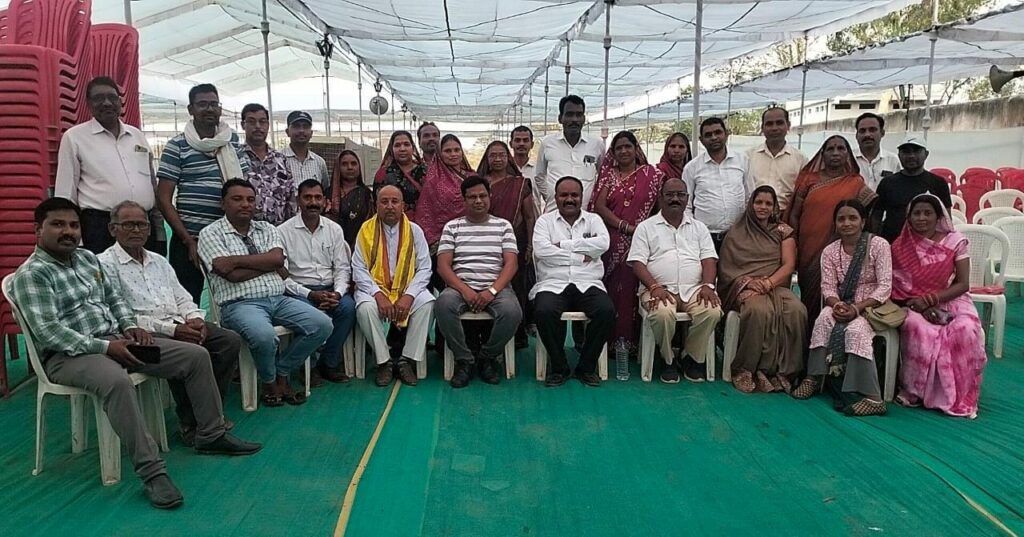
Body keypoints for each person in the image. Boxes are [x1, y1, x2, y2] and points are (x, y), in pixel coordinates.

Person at [10, 198, 260, 509]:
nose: (68, 232)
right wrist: (106, 347)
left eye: (73, 225)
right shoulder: (33, 274)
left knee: (194, 356)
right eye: (58, 225)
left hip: (116, 340)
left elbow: (114, 300)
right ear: (38, 230)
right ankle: (152, 472)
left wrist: (129, 327)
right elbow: (49, 333)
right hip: (69, 356)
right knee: (117, 382)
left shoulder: (86, 260)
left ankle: (209, 433)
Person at [98, 200, 243, 444]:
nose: (137, 230)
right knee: (190, 350)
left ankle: (205, 412)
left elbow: (181, 296)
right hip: (141, 334)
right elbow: (119, 315)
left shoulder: (158, 261)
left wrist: (195, 319)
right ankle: (193, 422)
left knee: (229, 340)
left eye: (142, 225)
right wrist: (174, 330)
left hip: (178, 321)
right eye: (129, 225)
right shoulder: (104, 264)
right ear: (113, 229)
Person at [198, 179, 333, 407]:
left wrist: (236, 261)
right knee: (264, 336)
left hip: (279, 299)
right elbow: (230, 275)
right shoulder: (211, 233)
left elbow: (278, 260)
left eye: (250, 200)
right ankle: (270, 382)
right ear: (223, 203)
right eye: (237, 199)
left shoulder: (267, 228)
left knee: (322, 325)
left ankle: (282, 371)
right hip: (239, 304)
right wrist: (268, 264)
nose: (245, 204)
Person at [793, 200, 891, 417]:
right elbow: (827, 286)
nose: (847, 223)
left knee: (856, 330)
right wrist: (836, 304)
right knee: (823, 319)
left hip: (870, 307)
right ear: (836, 224)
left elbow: (885, 286)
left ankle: (873, 398)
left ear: (863, 222)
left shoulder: (879, 245)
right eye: (841, 219)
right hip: (841, 304)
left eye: (852, 218)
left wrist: (857, 308)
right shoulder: (830, 251)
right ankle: (814, 377)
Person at [892, 194, 986, 418]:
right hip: (914, 303)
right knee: (918, 328)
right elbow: (897, 287)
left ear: (939, 216)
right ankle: (916, 391)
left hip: (951, 298)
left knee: (965, 330)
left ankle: (958, 394)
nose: (922, 218)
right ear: (909, 217)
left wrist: (931, 300)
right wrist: (921, 305)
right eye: (916, 213)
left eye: (928, 213)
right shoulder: (900, 246)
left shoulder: (955, 242)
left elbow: (963, 284)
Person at [157, 83, 252, 304]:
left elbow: (243, 187)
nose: (209, 109)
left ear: (220, 108)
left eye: (213, 104)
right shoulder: (177, 146)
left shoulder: (232, 144)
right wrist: (188, 240)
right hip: (190, 238)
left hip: (229, 240)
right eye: (202, 104)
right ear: (191, 109)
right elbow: (163, 199)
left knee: (236, 297)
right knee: (187, 299)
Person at [56, 76, 164, 254]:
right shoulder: (74, 137)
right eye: (99, 98)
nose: (107, 103)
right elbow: (66, 193)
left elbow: (152, 184)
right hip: (100, 228)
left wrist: (159, 233)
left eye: (112, 97)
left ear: (120, 102)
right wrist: (75, 238)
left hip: (142, 225)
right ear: (88, 104)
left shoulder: (137, 135)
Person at [629, 178, 722, 384]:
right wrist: (654, 287)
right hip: (657, 288)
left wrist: (708, 285)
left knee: (712, 311)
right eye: (670, 194)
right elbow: (637, 263)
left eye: (680, 195)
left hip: (694, 288)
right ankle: (667, 358)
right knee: (662, 314)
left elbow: (709, 259)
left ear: (687, 199)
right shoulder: (646, 227)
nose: (675, 199)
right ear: (660, 198)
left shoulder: (699, 228)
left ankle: (691, 356)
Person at [717, 186, 807, 393]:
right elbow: (727, 269)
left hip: (775, 285)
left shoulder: (783, 231)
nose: (763, 207)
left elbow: (788, 265)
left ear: (775, 207)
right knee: (758, 310)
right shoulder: (736, 232)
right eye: (759, 202)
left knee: (797, 310)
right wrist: (748, 282)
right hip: (746, 286)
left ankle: (784, 371)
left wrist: (768, 283)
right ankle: (747, 368)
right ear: (751, 204)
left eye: (768, 203)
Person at [434, 176, 522, 388]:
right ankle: (464, 360)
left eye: (483, 195)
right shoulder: (452, 227)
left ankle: (487, 357)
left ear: (490, 197)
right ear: (464, 200)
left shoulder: (503, 226)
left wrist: (491, 291)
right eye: (472, 197)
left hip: (497, 287)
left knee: (512, 312)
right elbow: (443, 266)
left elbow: (511, 264)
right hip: (459, 287)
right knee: (443, 305)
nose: (478, 201)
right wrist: (465, 290)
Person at [531, 177, 614, 387]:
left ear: (582, 197)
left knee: (606, 311)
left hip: (588, 282)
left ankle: (586, 367)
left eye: (574, 195)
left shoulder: (594, 220)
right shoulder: (544, 222)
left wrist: (563, 245)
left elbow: (603, 244)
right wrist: (581, 255)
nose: (569, 199)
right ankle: (559, 367)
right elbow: (542, 251)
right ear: (556, 197)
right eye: (564, 195)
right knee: (543, 311)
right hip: (553, 282)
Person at [789, 135, 877, 324]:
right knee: (809, 296)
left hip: (841, 249)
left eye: (841, 148)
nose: (835, 153)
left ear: (848, 153)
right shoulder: (808, 179)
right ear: (822, 154)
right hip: (808, 248)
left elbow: (870, 208)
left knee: (836, 293)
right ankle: (807, 336)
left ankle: (834, 335)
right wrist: (793, 243)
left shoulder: (855, 182)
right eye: (830, 149)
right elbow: (794, 214)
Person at [352, 185, 435, 387]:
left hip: (406, 288)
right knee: (365, 308)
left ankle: (407, 360)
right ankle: (384, 362)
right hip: (375, 289)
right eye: (384, 201)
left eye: (394, 201)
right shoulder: (365, 230)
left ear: (403, 206)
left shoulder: (415, 230)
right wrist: (378, 294)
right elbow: (359, 269)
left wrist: (409, 295)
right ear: (376, 205)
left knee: (428, 303)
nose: (390, 206)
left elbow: (425, 268)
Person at [591, 131, 666, 348]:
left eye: (628, 146)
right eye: (619, 148)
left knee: (633, 288)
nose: (623, 151)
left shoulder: (652, 175)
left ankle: (632, 342)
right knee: (612, 287)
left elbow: (659, 209)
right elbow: (599, 206)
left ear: (636, 149)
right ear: (613, 153)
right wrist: (624, 226)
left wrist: (643, 230)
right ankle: (608, 340)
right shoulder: (608, 175)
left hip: (643, 239)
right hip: (612, 240)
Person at [279, 179, 357, 385]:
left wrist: (337, 293)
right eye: (307, 197)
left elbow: (342, 268)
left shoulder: (334, 229)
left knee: (348, 308)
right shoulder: (283, 231)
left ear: (324, 201)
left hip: (330, 289)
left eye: (317, 197)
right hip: (299, 292)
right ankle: (309, 366)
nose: (313, 202)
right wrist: (310, 294)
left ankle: (328, 363)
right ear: (298, 200)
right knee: (311, 316)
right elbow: (283, 277)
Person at [477, 140, 535, 348]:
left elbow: (529, 216)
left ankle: (518, 335)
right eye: (493, 155)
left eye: (501, 155)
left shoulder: (520, 184)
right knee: (487, 282)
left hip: (515, 241)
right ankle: (485, 334)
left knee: (517, 286)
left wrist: (529, 245)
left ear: (507, 157)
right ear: (487, 159)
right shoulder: (480, 184)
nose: (498, 159)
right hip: (484, 242)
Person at [683, 117, 749, 252]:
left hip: (737, 235)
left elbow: (749, 196)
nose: (714, 137)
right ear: (701, 140)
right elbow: (686, 204)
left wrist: (745, 228)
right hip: (705, 237)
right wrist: (694, 231)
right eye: (708, 135)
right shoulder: (692, 167)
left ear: (726, 134)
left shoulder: (742, 161)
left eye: (718, 132)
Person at [870, 138, 952, 242]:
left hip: (927, 245)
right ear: (899, 155)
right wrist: (874, 241)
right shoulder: (887, 183)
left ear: (926, 154)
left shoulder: (938, 183)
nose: (911, 156)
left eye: (916, 151)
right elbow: (876, 217)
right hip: (892, 244)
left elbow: (946, 219)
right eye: (906, 152)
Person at [534, 95, 605, 213]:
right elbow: (539, 176)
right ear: (560, 118)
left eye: (579, 115)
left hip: (586, 214)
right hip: (554, 212)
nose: (574, 120)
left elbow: (603, 178)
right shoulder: (547, 143)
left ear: (584, 118)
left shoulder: (596, 144)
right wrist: (551, 195)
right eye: (569, 114)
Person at [415, 134, 475, 251]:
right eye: (448, 151)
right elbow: (426, 212)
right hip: (441, 239)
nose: (453, 154)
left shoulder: (473, 177)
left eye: (457, 150)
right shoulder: (433, 181)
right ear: (439, 154)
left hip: (471, 235)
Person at [240, 103, 295, 226]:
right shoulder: (235, 158)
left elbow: (291, 200)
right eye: (252, 122)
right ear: (243, 125)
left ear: (268, 125)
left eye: (262, 121)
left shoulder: (281, 160)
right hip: (245, 231)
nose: (258, 126)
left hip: (278, 231)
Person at [745, 107, 808, 212]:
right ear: (762, 127)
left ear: (788, 125)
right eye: (769, 124)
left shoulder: (800, 159)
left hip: (785, 216)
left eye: (779, 123)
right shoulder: (748, 157)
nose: (774, 128)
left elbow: (803, 194)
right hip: (754, 216)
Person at [374, 131, 427, 219]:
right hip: (393, 222)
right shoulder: (383, 174)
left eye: (406, 144)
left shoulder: (425, 171)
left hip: (424, 222)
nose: (402, 149)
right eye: (397, 145)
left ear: (413, 147)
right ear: (392, 149)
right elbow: (378, 204)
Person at [327, 149, 374, 249]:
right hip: (331, 245)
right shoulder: (328, 194)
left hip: (361, 246)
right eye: (344, 164)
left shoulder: (367, 194)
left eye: (353, 163)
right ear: (338, 168)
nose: (350, 167)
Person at [853, 113, 901, 190]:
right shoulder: (848, 160)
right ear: (856, 135)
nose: (867, 135)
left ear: (882, 133)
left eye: (872, 130)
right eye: (862, 131)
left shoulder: (893, 160)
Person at [283, 110, 329, 190]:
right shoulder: (277, 160)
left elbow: (325, 190)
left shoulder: (320, 162)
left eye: (306, 126)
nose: (301, 130)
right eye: (296, 126)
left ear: (311, 133)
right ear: (287, 132)